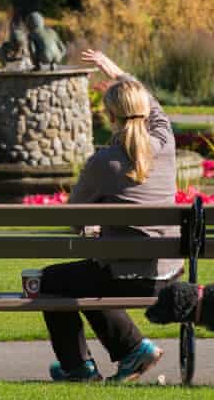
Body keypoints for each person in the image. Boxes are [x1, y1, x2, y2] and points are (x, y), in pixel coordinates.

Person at [40, 49, 180, 383]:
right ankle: (130, 351)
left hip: (125, 275)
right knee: (83, 278)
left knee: (52, 281)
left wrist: (92, 227)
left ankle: (83, 365)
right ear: (144, 112)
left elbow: (75, 219)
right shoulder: (166, 140)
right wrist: (119, 73)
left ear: (109, 116)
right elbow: (154, 107)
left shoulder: (103, 162)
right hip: (170, 272)